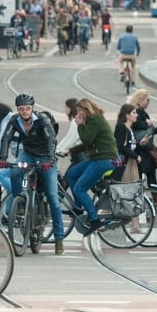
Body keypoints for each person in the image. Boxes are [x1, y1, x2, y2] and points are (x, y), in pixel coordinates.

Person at [0, 93, 65, 253]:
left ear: (32, 109)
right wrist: (3, 158)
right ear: (17, 110)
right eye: (21, 109)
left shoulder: (42, 120)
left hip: (46, 156)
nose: (25, 111)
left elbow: (51, 140)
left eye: (27, 108)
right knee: (13, 170)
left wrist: (50, 159)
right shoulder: (14, 120)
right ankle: (20, 202)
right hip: (28, 154)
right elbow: (5, 138)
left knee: (53, 197)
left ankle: (59, 238)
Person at [61, 98, 118, 237]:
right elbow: (89, 143)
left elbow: (86, 139)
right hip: (97, 158)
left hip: (104, 159)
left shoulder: (94, 120)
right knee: (72, 173)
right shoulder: (93, 120)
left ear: (87, 110)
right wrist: (70, 151)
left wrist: (80, 125)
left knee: (79, 188)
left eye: (80, 110)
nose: (78, 113)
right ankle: (79, 207)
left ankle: (94, 220)